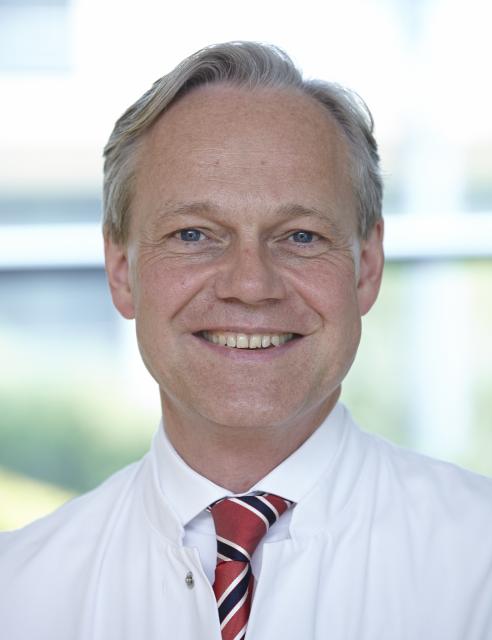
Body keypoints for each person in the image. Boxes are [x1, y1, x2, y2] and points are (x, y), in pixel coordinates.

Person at [1, 41, 491, 640]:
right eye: (193, 234)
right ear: (121, 271)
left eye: (301, 236)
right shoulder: (18, 593)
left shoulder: (479, 562)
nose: (251, 285)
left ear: (366, 267)